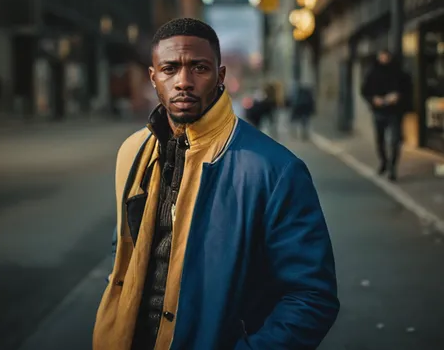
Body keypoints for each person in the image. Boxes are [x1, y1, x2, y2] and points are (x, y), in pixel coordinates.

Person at [93, 18, 339, 350]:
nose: (183, 81)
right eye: (169, 69)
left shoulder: (275, 169)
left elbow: (312, 295)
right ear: (153, 77)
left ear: (220, 76)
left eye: (199, 68)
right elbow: (123, 246)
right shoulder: (133, 151)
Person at [361, 49, 412, 181]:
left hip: (395, 111)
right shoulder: (373, 73)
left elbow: (408, 90)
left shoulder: (399, 73)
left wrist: (397, 97)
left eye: (386, 56)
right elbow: (365, 90)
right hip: (379, 111)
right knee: (380, 140)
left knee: (395, 141)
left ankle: (392, 167)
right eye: (382, 56)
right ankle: (384, 162)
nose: (384, 59)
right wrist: (373, 99)